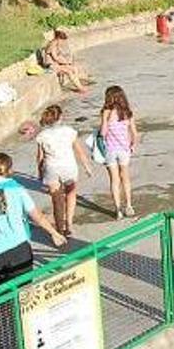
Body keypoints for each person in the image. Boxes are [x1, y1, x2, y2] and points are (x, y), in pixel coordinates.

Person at [0, 153, 66, 286]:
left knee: (6, 294)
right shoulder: (17, 189)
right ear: (10, 170)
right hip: (19, 249)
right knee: (24, 291)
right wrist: (54, 233)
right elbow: (37, 216)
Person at [35, 105, 93, 237]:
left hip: (51, 168)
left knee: (56, 200)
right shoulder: (70, 131)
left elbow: (40, 158)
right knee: (71, 194)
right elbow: (79, 151)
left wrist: (40, 173)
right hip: (69, 167)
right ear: (61, 117)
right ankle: (69, 224)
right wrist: (87, 167)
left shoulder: (42, 136)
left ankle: (59, 228)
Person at [100, 86, 138, 220]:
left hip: (110, 150)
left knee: (114, 180)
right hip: (124, 149)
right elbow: (134, 132)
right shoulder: (127, 113)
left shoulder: (106, 112)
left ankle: (118, 210)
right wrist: (133, 144)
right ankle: (129, 205)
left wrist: (105, 119)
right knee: (125, 178)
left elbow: (103, 133)